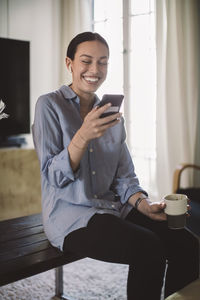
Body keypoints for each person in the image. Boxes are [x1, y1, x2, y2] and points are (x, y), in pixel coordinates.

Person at [32, 32, 199, 300]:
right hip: (70, 215)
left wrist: (144, 205)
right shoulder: (49, 105)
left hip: (110, 208)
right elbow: (53, 177)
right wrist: (83, 135)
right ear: (69, 63)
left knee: (187, 243)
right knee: (148, 247)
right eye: (86, 61)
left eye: (103, 62)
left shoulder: (111, 114)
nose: (95, 70)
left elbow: (124, 176)